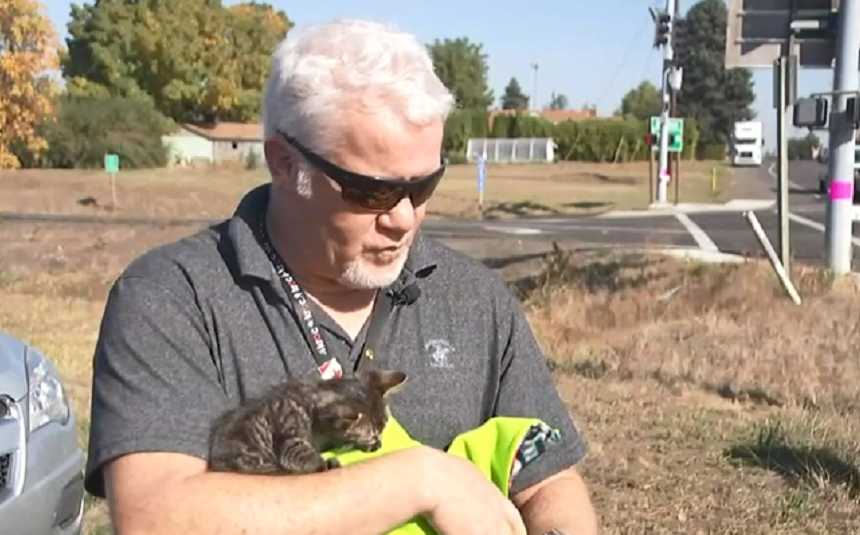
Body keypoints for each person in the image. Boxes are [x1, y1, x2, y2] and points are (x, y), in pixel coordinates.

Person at [85, 19, 598, 535]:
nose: (404, 218)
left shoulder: (475, 300)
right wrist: (420, 480)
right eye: (371, 192)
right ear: (284, 164)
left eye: (424, 186)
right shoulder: (173, 297)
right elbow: (156, 518)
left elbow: (549, 480)